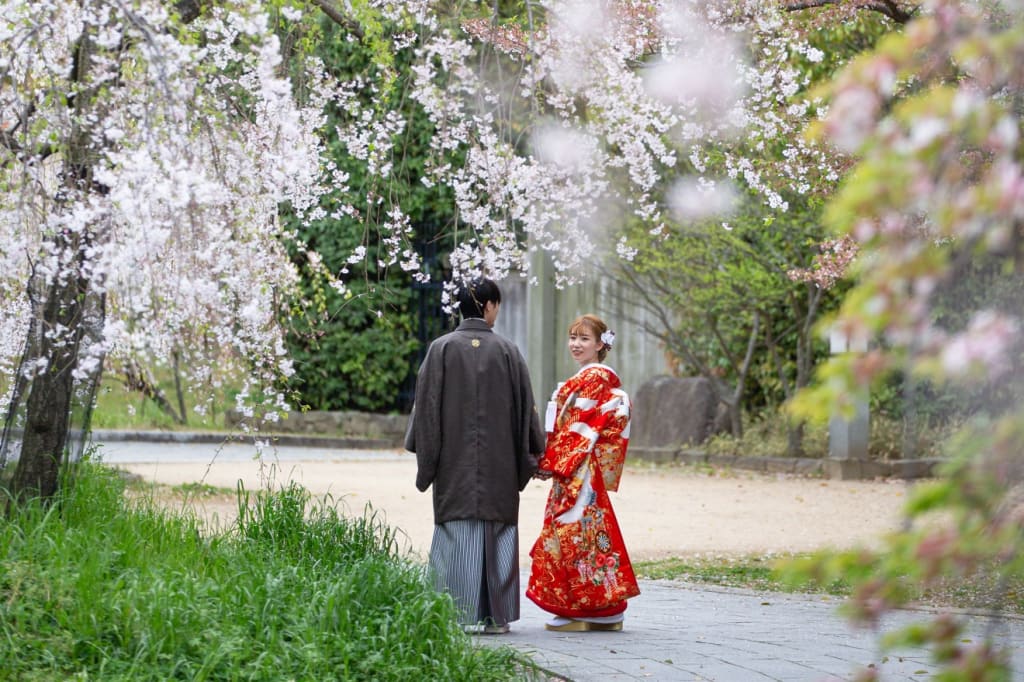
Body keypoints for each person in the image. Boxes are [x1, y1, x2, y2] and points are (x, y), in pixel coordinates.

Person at [405, 278, 545, 635]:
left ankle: (451, 614)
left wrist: (427, 458)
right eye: (496, 303)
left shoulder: (440, 349)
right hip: (499, 466)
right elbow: (526, 410)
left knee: (455, 535)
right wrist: (533, 454)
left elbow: (425, 409)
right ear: (488, 306)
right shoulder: (508, 351)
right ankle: (495, 618)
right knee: (497, 534)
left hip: (454, 465)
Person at [526, 313, 640, 632]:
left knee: (577, 533)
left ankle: (593, 608)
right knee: (586, 534)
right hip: (577, 467)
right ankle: (597, 607)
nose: (576, 344)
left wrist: (549, 462)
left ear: (600, 344)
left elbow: (579, 428)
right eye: (573, 337)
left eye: (584, 339)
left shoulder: (595, 377)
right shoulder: (589, 378)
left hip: (579, 470)